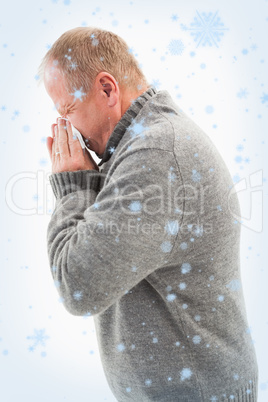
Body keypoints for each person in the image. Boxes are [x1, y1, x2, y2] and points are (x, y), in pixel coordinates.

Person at [38, 27, 259, 401]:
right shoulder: (143, 140)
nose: (67, 132)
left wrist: (73, 187)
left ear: (107, 90)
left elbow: (77, 285)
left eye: (68, 111)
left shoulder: (156, 156)